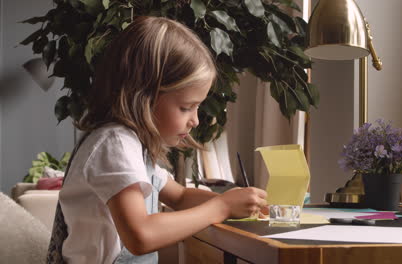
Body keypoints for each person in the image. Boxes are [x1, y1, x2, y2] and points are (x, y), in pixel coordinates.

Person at [48, 16, 267, 264]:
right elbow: (141, 235)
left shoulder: (135, 148)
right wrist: (222, 208)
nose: (195, 120)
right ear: (144, 96)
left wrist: (234, 202)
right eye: (186, 107)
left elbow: (181, 197)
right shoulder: (114, 144)